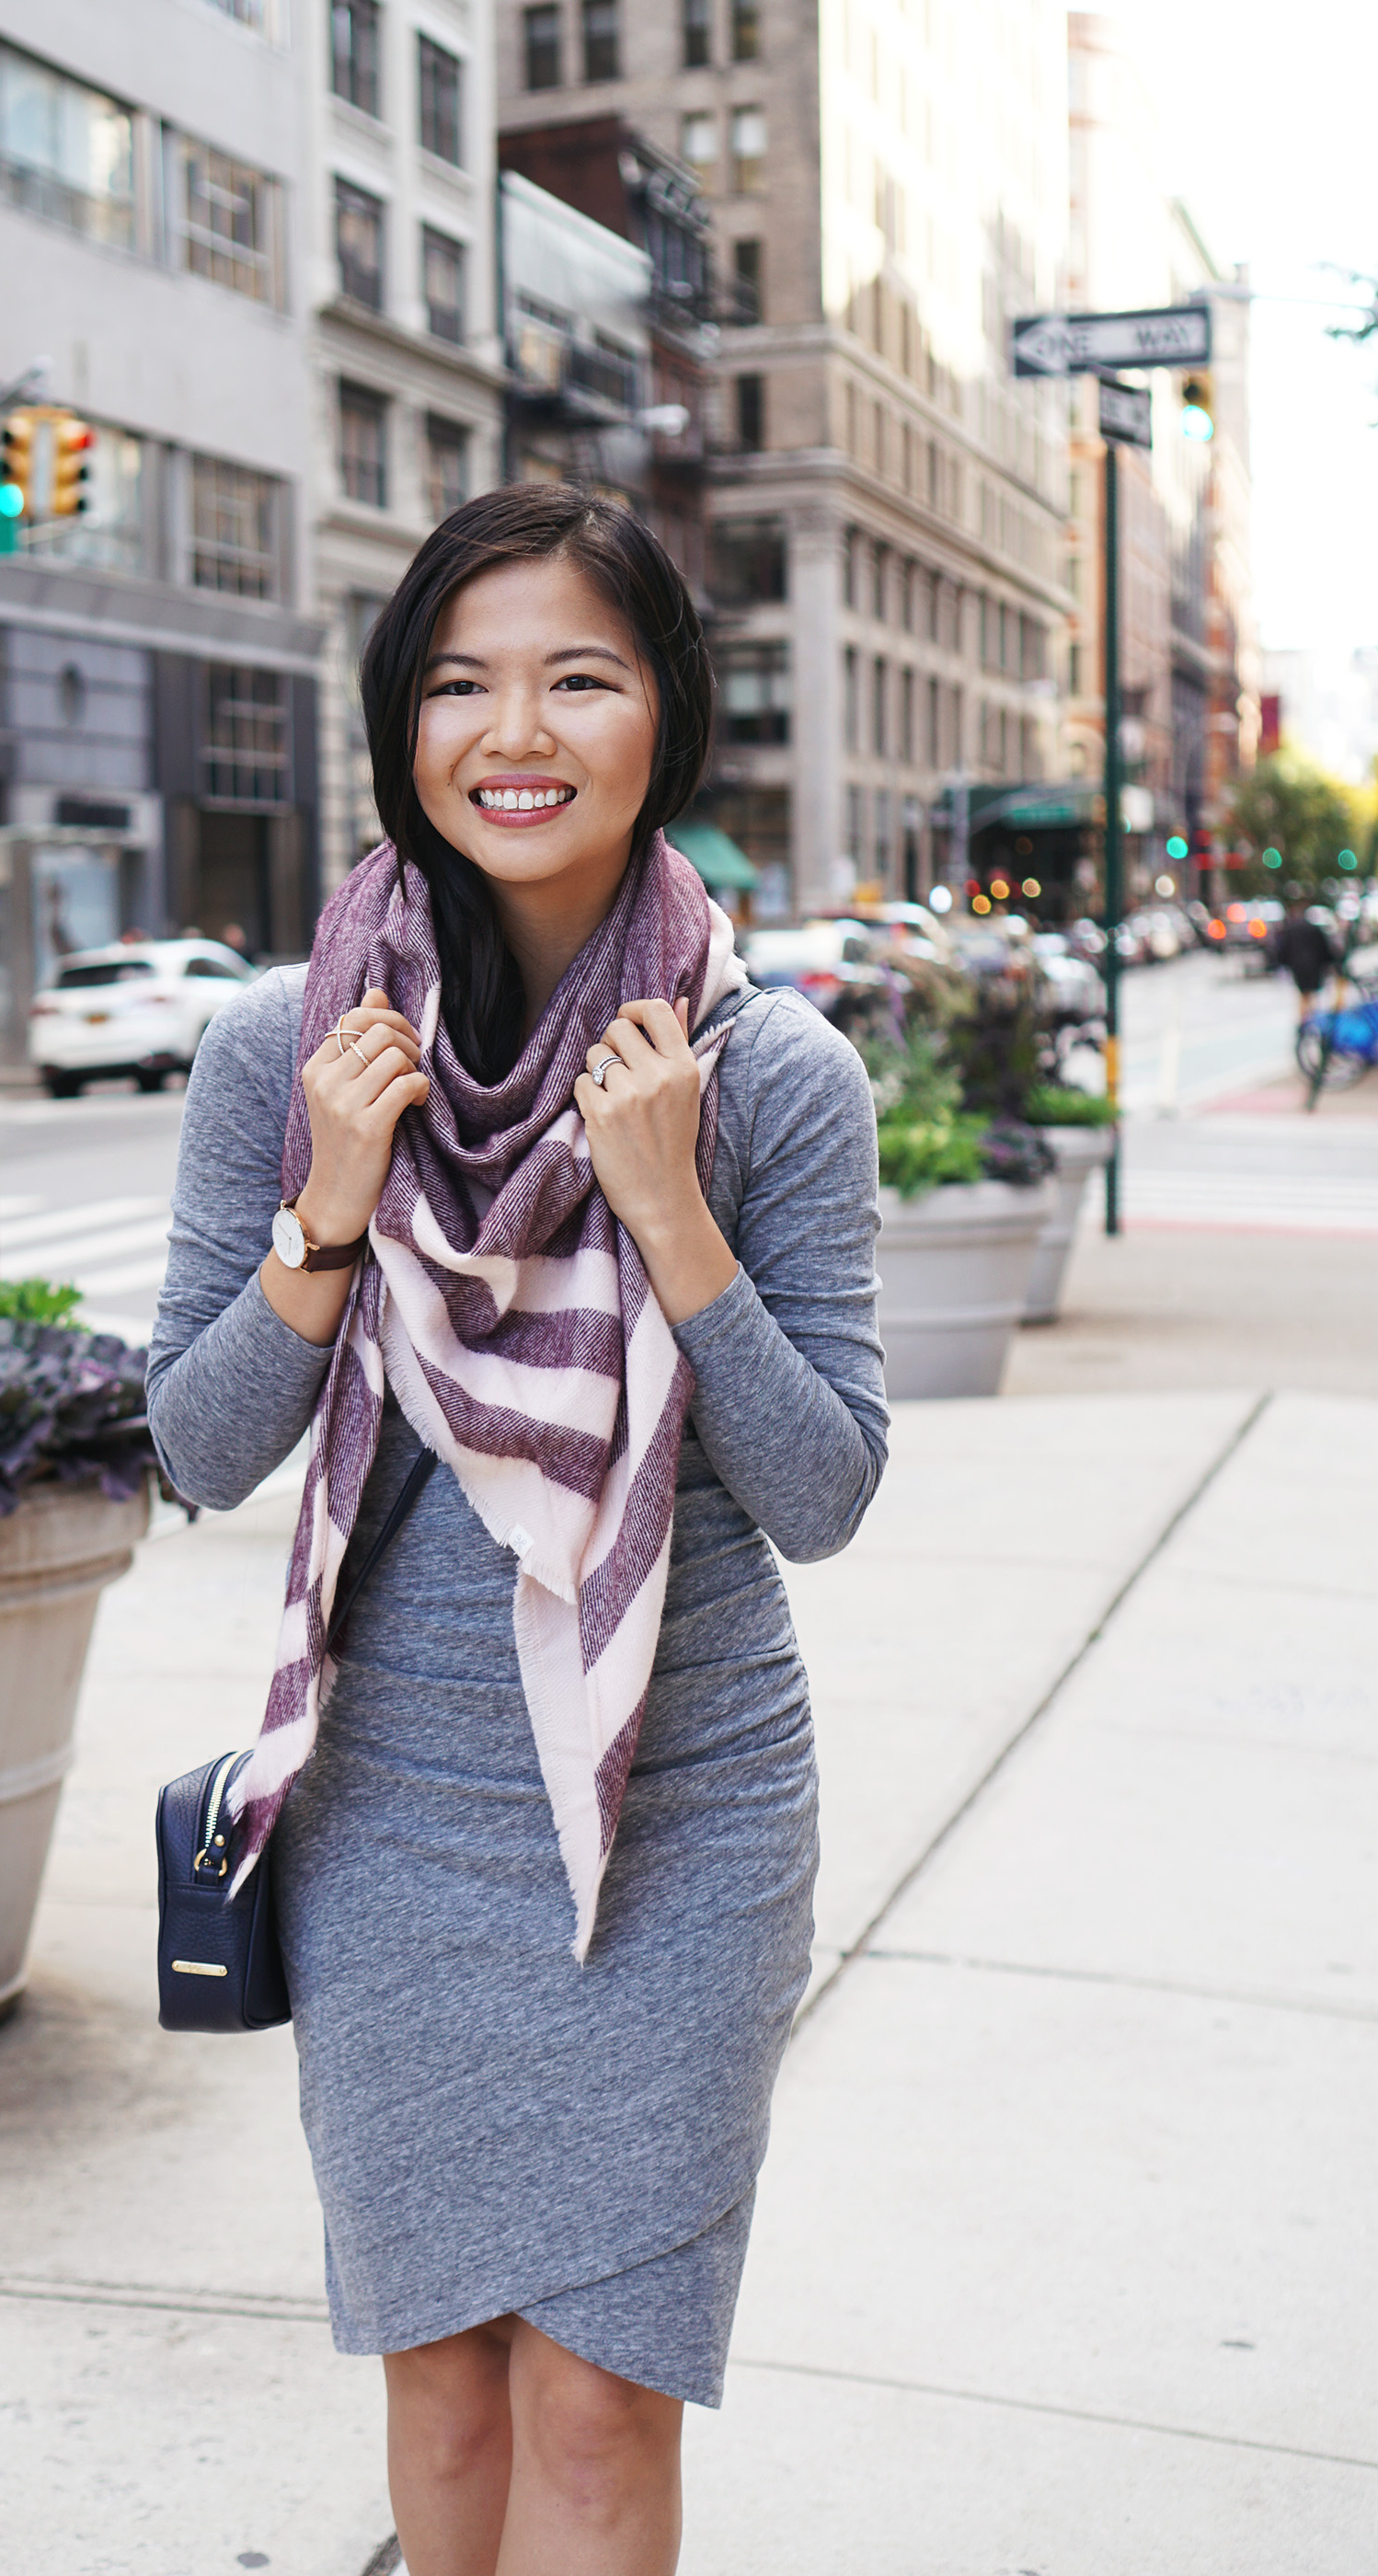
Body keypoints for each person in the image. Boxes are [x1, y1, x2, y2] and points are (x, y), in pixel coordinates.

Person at [146, 486, 887, 2573]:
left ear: (667, 715)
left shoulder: (768, 1078)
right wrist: (325, 1203)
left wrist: (665, 1215)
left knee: (590, 2401)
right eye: (459, 681)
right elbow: (199, 1451)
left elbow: (821, 1494)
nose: (514, 728)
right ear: (399, 724)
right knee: (446, 2388)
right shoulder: (285, 1053)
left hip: (680, 1809)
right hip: (391, 1805)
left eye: (577, 673)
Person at [1271, 897, 1338, 1021]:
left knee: (1304, 993)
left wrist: (1282, 963)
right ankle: (1310, 1019)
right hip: (1314, 965)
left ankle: (1305, 1020)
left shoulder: (1291, 929)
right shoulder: (1314, 929)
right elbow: (1324, 947)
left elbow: (1283, 948)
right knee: (1311, 994)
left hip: (1298, 966)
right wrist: (1329, 963)